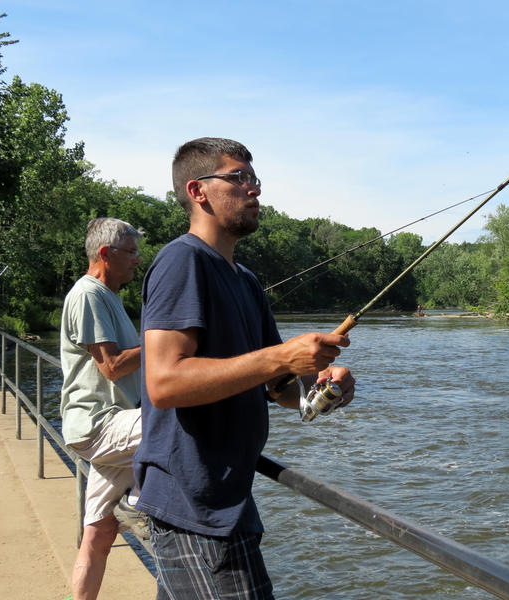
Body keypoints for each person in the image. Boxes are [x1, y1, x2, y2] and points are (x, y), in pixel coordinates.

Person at [134, 137, 356, 599]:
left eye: (254, 179)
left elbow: (279, 386)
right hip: (194, 508)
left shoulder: (246, 280)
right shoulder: (182, 260)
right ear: (198, 191)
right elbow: (163, 383)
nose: (253, 189)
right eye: (239, 178)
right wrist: (281, 357)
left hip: (227, 501)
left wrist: (322, 386)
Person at [60, 217, 148, 600]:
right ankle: (139, 503)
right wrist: (165, 345)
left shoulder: (109, 296)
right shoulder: (88, 294)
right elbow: (111, 367)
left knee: (97, 534)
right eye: (131, 252)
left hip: (117, 423)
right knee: (179, 419)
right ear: (105, 254)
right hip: (100, 425)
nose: (138, 260)